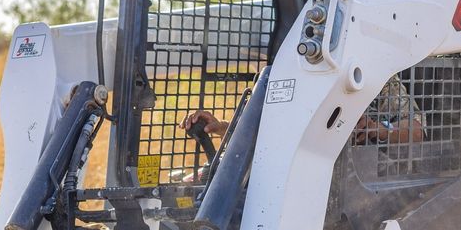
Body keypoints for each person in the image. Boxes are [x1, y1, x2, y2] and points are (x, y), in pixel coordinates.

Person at [182, 76, 426, 145]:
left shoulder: (378, 80)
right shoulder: (291, 78)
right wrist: (223, 128)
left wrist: (378, 130)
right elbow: (271, 138)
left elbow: (416, 132)